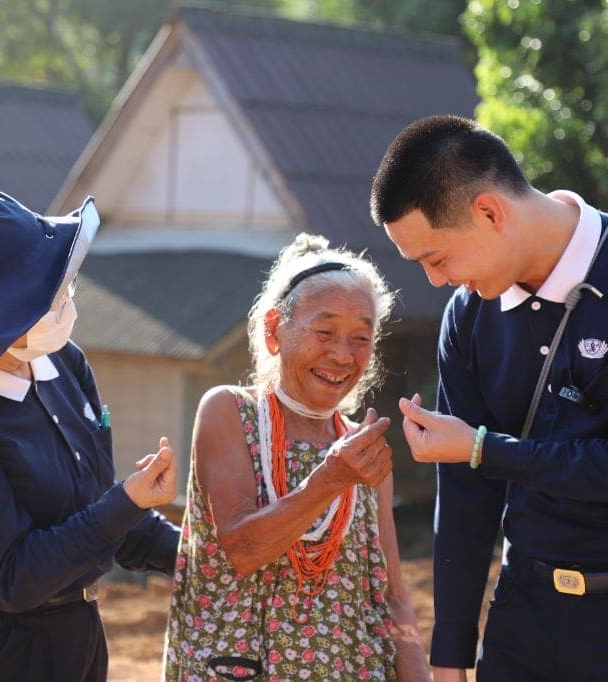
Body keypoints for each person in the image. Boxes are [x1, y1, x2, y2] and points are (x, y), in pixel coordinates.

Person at [369, 114, 608, 681]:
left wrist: (483, 449)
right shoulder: (468, 317)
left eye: (436, 259)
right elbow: (465, 494)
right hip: (525, 618)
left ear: (489, 212)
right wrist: (451, 653)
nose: (436, 282)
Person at [0, 188, 180, 681]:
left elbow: (96, 515)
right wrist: (125, 503)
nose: (67, 299)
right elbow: (13, 578)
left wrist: (204, 558)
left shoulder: (63, 366)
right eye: (52, 289)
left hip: (77, 641)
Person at [163, 234, 431, 681]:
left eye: (361, 337)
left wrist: (416, 672)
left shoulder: (362, 449)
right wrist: (329, 480)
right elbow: (243, 551)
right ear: (274, 330)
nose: (342, 355)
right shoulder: (231, 412)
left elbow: (393, 594)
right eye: (324, 332)